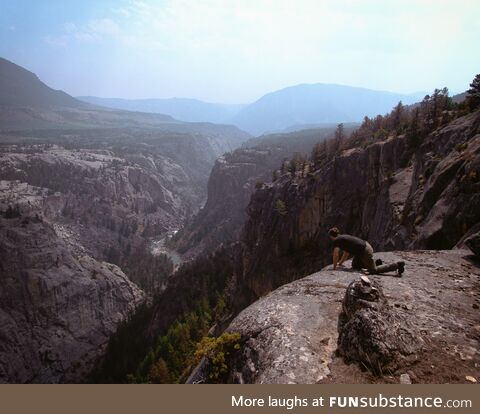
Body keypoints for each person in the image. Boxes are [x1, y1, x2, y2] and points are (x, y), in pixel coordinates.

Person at [328, 227, 405, 276]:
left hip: (364, 251)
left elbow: (336, 255)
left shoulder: (337, 241)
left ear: (331, 236)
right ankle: (375, 263)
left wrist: (334, 267)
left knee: (373, 270)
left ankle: (397, 265)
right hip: (365, 247)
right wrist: (340, 263)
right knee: (355, 266)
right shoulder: (343, 237)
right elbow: (346, 252)